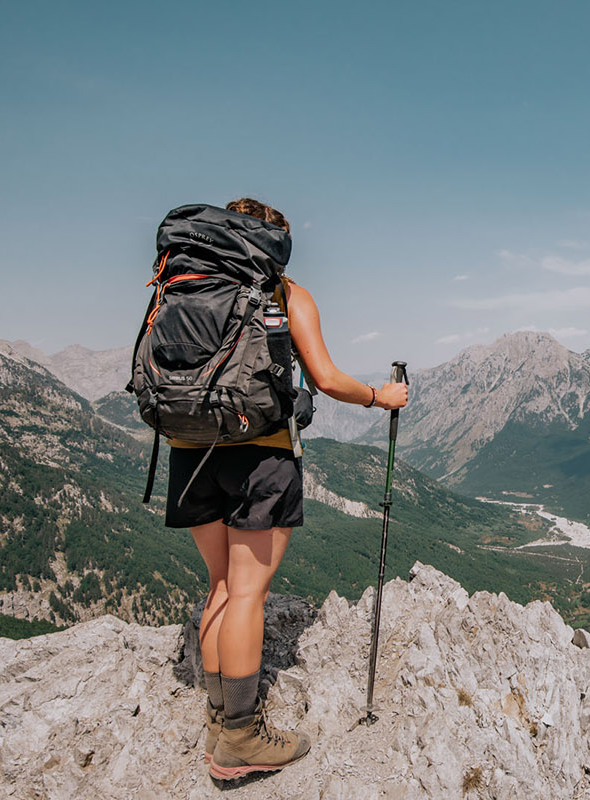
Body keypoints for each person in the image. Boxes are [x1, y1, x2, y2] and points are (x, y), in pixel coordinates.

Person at [164, 197, 408, 780]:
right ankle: (242, 739)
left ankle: (220, 717)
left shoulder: (185, 284)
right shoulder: (285, 294)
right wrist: (380, 397)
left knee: (219, 587)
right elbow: (324, 378)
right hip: (260, 458)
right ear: (276, 243)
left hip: (188, 453)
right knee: (249, 595)